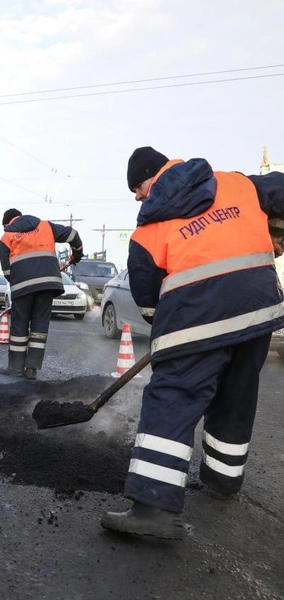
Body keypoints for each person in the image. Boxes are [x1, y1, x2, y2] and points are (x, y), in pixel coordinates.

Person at [101, 147, 284, 540]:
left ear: (154, 177)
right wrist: (277, 232)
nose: (137, 196)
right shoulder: (237, 183)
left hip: (196, 318)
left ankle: (153, 509)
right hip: (257, 309)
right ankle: (222, 481)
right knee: (237, 394)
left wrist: (164, 329)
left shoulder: (149, 228)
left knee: (173, 396)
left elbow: (147, 295)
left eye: (137, 187)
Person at [0, 208, 83, 380]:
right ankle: (32, 369)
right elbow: (73, 234)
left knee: (19, 325)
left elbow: (7, 270)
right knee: (40, 325)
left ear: (7, 223)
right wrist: (77, 253)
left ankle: (15, 368)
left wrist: (15, 282)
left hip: (22, 286)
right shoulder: (46, 226)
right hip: (47, 283)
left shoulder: (6, 237)